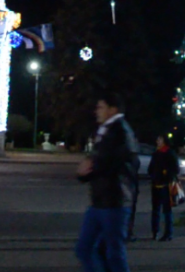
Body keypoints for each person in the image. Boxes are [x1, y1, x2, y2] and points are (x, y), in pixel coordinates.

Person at [75, 93, 139, 272]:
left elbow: (112, 165)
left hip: (114, 201)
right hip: (101, 200)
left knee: (112, 253)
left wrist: (87, 170)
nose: (97, 111)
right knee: (88, 249)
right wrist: (84, 172)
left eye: (101, 107)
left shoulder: (120, 132)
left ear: (113, 110)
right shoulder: (108, 130)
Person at [148, 134, 180, 241]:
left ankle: (168, 233)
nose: (158, 141)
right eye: (157, 139)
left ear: (165, 141)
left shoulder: (169, 153)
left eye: (160, 139)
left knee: (167, 210)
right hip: (155, 185)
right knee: (156, 210)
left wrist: (165, 174)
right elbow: (151, 168)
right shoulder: (156, 153)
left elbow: (175, 169)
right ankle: (155, 232)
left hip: (166, 185)